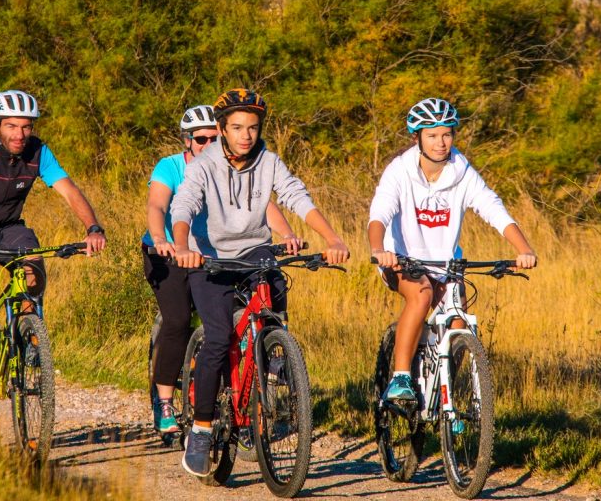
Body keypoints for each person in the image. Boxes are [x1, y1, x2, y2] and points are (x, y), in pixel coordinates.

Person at [170, 88, 350, 477]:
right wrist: (182, 246)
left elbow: (296, 197)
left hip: (254, 253)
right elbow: (183, 204)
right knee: (218, 337)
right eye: (237, 128)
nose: (246, 135)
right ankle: (201, 429)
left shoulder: (269, 161)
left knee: (275, 298)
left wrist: (332, 238)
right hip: (209, 259)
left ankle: (271, 356)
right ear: (222, 129)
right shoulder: (204, 165)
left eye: (252, 127)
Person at [0, 89, 107, 409]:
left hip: (9, 229)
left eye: (27, 126)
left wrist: (92, 228)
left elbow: (67, 190)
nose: (20, 134)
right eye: (12, 126)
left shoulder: (38, 152)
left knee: (33, 266)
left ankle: (28, 334)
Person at [143, 104, 302, 434]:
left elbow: (265, 206)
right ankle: (166, 401)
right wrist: (162, 238)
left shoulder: (235, 165)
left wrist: (286, 234)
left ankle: (250, 379)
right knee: (177, 320)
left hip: (217, 254)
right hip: (172, 252)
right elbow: (158, 204)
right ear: (187, 141)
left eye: (215, 138)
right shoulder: (171, 167)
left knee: (242, 312)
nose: (209, 145)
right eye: (201, 139)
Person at [368, 97, 537, 403]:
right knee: (421, 295)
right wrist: (379, 249)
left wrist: (523, 248)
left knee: (459, 321)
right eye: (432, 135)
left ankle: (444, 393)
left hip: (446, 264)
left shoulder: (462, 170)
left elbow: (493, 209)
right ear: (416, 137)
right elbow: (379, 214)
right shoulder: (400, 171)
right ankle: (401, 377)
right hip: (402, 261)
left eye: (447, 134)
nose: (441, 142)